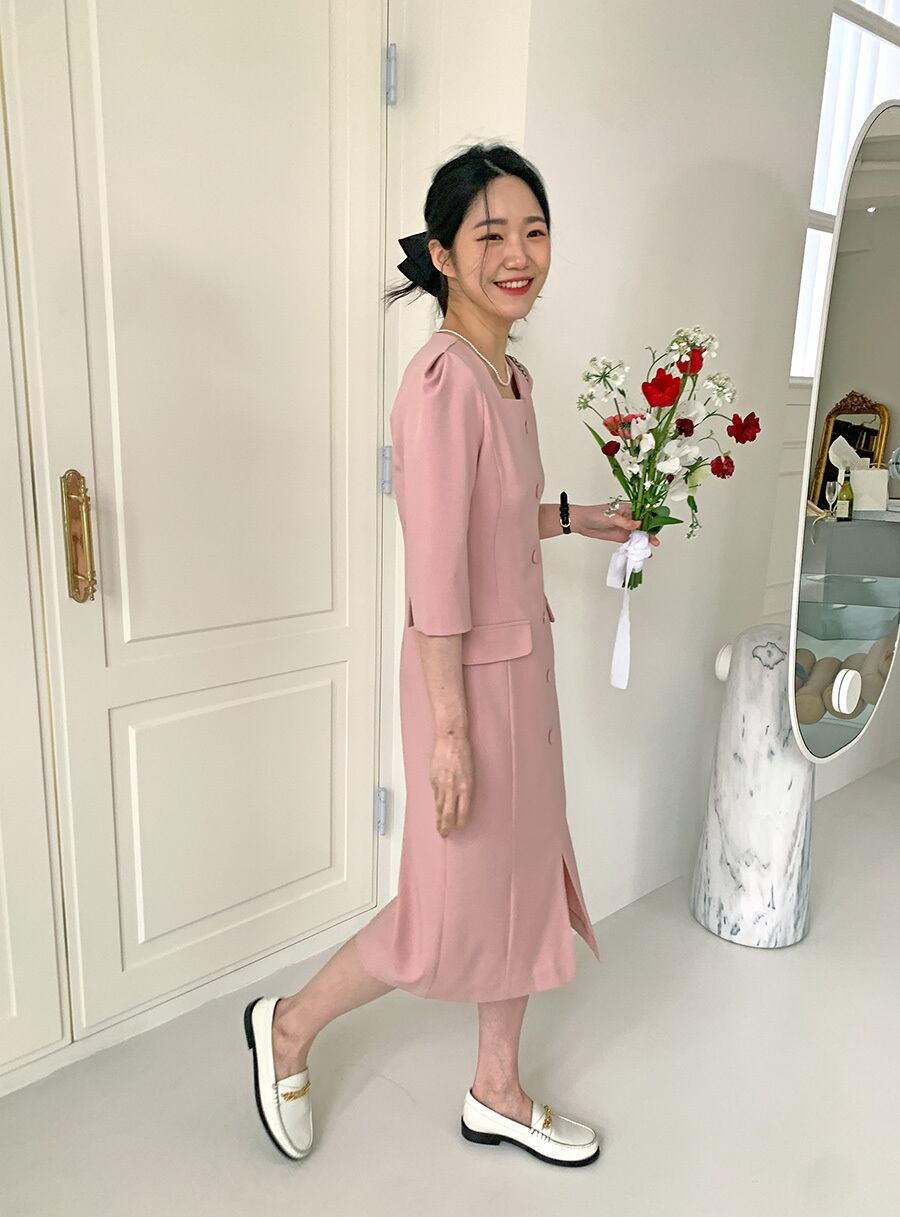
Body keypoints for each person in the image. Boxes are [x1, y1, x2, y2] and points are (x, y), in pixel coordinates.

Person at [244, 141, 659, 1168]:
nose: (519, 255)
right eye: (491, 235)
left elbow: (499, 514)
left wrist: (579, 516)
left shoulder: (507, 375)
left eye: (534, 230)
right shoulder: (440, 384)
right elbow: (435, 574)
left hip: (519, 669)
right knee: (443, 909)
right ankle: (287, 1026)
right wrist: (449, 734)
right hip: (464, 681)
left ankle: (496, 1089)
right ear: (442, 254)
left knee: (520, 877)